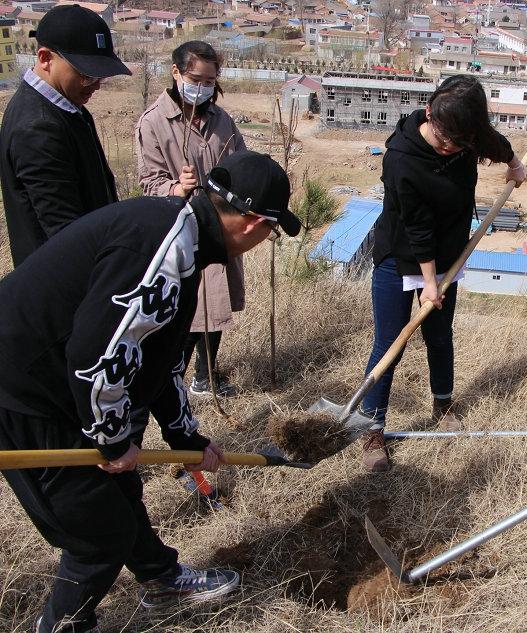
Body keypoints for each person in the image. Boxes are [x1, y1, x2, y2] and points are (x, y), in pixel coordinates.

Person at [0, 151, 302, 633]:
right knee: (99, 534)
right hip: (23, 386)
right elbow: (95, 358)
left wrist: (187, 439)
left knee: (120, 488)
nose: (265, 239)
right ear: (250, 223)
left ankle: (160, 578)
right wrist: (113, 440)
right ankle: (61, 625)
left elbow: (157, 362)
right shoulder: (162, 250)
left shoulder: (183, 237)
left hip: (58, 381)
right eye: (270, 229)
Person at [357, 75, 527, 472]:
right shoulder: (401, 158)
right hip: (400, 256)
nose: (451, 146)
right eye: (445, 137)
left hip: (448, 257)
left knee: (439, 336)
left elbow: (493, 143)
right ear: (429, 110)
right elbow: (417, 227)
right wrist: (428, 285)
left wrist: (515, 163)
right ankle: (371, 429)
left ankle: (442, 405)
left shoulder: (466, 132)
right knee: (389, 343)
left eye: (460, 141)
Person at [136, 40, 248, 398]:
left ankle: (206, 375)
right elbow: (148, 183)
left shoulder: (221, 119)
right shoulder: (154, 122)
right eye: (196, 78)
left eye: (210, 80)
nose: (203, 87)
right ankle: (167, 383)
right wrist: (176, 187)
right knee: (182, 313)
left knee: (215, 304)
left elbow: (240, 163)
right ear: (176, 73)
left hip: (218, 229)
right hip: (177, 233)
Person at [0, 4, 130, 268]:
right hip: (61, 285)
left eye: (99, 76)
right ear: (46, 58)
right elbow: (65, 232)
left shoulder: (68, 107)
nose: (95, 85)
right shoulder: (37, 128)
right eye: (85, 75)